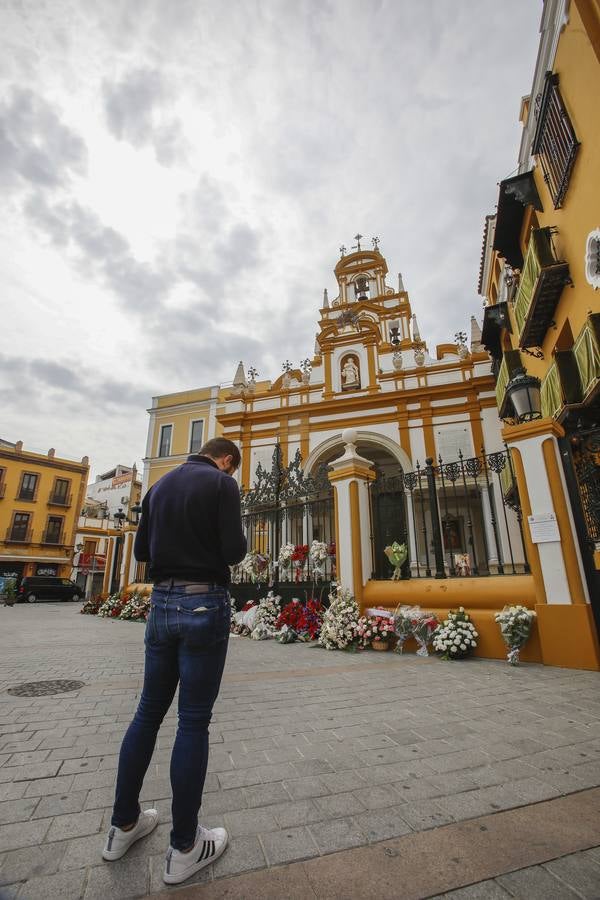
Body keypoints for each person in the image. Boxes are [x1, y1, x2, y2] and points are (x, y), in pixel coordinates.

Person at [102, 437, 247, 885]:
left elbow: (142, 553)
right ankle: (185, 846)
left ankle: (122, 825)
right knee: (193, 721)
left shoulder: (157, 488)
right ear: (226, 461)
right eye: (232, 469)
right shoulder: (221, 485)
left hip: (160, 605)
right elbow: (235, 551)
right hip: (204, 603)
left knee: (147, 713)